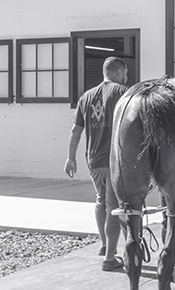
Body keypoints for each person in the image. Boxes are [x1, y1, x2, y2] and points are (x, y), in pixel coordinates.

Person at [64, 56, 129, 271]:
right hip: (114, 160)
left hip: (92, 159)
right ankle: (110, 258)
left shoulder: (86, 97)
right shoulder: (122, 92)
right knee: (115, 207)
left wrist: (70, 158)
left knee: (101, 200)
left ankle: (103, 244)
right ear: (119, 72)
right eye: (125, 74)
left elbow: (75, 131)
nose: (125, 78)